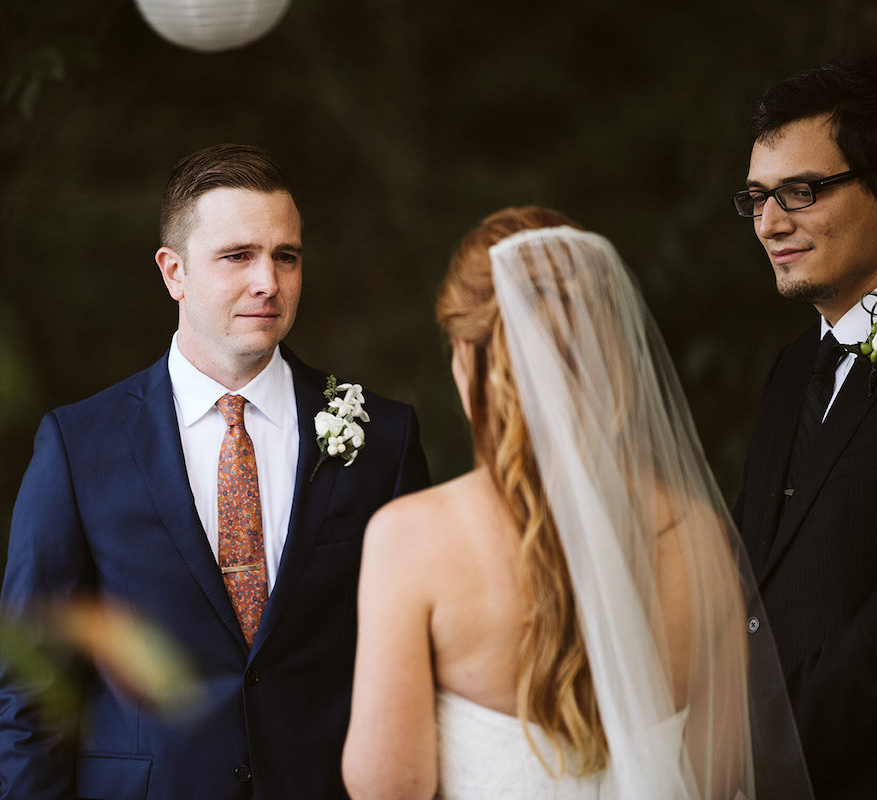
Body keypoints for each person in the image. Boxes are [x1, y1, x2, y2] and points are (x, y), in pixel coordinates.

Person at [0, 143, 431, 800]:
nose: (268, 282)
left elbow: (422, 664)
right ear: (174, 272)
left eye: (286, 256)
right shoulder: (79, 445)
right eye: (237, 257)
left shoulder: (383, 439)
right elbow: (34, 689)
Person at [341, 207, 812, 799]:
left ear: (469, 357)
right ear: (612, 352)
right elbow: (716, 782)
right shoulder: (701, 537)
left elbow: (389, 787)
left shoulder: (412, 541)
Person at [731, 56, 877, 800]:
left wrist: (778, 752)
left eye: (801, 191)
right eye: (757, 199)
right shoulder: (790, 373)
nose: (770, 223)